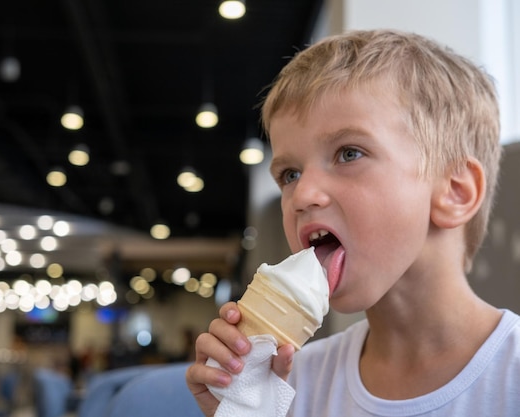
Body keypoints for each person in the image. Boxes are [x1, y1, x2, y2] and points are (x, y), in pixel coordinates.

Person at [186, 29, 520, 416]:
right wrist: (241, 408)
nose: (304, 195)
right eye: (290, 174)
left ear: (455, 192)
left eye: (349, 153)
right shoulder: (289, 386)